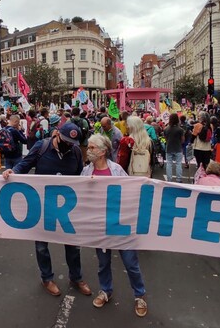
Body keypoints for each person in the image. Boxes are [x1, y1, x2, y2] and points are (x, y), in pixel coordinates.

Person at [2, 123, 91, 297]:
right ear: (57, 134)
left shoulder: (76, 152)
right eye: (65, 141)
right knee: (42, 246)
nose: (68, 145)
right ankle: (47, 278)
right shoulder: (42, 146)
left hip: (67, 207)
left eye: (72, 143)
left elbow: (81, 176)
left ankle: (76, 277)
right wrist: (14, 171)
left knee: (73, 245)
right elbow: (25, 164)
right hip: (42, 205)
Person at [82, 134, 148, 317]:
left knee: (130, 263)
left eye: (92, 147)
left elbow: (132, 192)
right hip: (99, 227)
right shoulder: (86, 172)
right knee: (103, 263)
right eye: (89, 147)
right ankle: (105, 290)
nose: (89, 150)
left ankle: (139, 295)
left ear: (103, 151)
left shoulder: (117, 170)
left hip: (120, 226)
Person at [164, 113, 184, 183]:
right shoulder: (180, 130)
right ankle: (179, 179)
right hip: (178, 148)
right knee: (178, 164)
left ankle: (169, 179)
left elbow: (166, 139)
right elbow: (182, 140)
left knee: (169, 164)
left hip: (169, 148)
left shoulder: (166, 129)